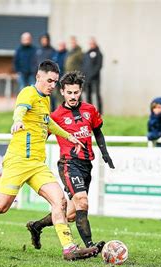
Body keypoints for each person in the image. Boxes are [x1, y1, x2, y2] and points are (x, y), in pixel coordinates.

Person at [0, 60, 99, 261]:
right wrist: (17, 121)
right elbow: (20, 110)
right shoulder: (28, 93)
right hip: (18, 161)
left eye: (55, 82)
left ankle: (69, 248)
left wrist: (69, 136)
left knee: (60, 202)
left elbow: (47, 122)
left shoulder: (46, 99)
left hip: (37, 165)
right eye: (49, 80)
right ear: (38, 77)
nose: (52, 85)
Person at [26, 70, 114, 253]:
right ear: (62, 92)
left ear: (80, 91)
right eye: (69, 92)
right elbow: (40, 136)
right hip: (68, 164)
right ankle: (90, 246)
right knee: (82, 201)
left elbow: (97, 131)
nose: (73, 96)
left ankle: (37, 226)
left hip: (86, 165)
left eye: (76, 92)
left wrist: (105, 153)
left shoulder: (90, 110)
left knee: (72, 213)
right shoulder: (56, 116)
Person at [82, 37, 104, 113]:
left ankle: (100, 112)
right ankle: (90, 111)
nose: (91, 45)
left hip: (95, 78)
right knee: (88, 94)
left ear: (95, 43)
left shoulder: (99, 53)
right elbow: (84, 65)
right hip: (87, 78)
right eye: (90, 43)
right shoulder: (87, 53)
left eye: (93, 43)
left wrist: (91, 75)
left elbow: (98, 66)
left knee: (97, 94)